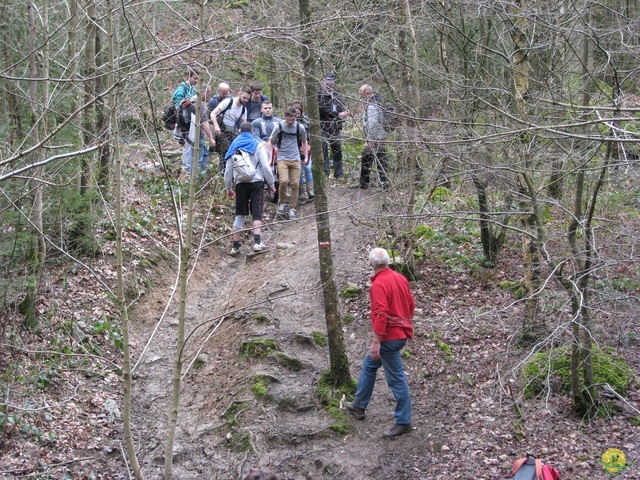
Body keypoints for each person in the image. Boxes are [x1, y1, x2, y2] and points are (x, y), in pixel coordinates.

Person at [346, 247, 415, 438]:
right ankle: (359, 406)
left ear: (371, 264)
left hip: (389, 338)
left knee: (396, 379)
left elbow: (381, 313)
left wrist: (376, 341)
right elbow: (411, 304)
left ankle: (403, 421)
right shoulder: (400, 278)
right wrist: (405, 322)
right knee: (369, 365)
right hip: (400, 333)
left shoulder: (379, 285)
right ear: (387, 261)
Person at [224, 122, 276, 256]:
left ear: (239, 131)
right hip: (256, 182)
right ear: (252, 131)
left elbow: (228, 171)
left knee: (240, 213)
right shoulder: (258, 145)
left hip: (240, 184)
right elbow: (265, 166)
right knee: (257, 212)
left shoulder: (233, 146)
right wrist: (271, 184)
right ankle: (257, 243)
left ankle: (235, 247)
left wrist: (228, 188)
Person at [268, 107, 308, 220]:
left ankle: (292, 208)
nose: (291, 122)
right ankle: (281, 203)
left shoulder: (300, 127)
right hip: (282, 158)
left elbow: (304, 142)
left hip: (295, 158)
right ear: (285, 117)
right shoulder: (279, 127)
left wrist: (305, 156)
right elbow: (270, 142)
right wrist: (271, 157)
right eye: (289, 119)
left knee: (295, 184)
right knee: (283, 181)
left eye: (293, 119)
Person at [210, 86, 250, 172]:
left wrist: (244, 130)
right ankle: (222, 173)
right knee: (226, 151)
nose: (245, 100)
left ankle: (233, 173)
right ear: (239, 94)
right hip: (221, 130)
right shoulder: (228, 102)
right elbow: (213, 114)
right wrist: (216, 126)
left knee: (237, 149)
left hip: (232, 131)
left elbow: (244, 123)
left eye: (247, 99)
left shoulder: (243, 109)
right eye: (244, 97)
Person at [317, 72, 349, 179]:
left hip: (335, 125)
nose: (329, 84)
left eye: (331, 81)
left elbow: (341, 104)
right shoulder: (319, 93)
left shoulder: (337, 93)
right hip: (323, 124)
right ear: (323, 80)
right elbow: (322, 108)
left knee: (337, 148)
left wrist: (344, 111)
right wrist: (337, 114)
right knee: (323, 147)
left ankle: (338, 173)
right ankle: (325, 173)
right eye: (327, 81)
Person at [358, 84, 389, 189]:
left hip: (376, 138)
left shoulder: (372, 106)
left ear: (366, 94)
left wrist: (369, 140)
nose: (360, 96)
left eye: (361, 94)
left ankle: (376, 183)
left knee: (374, 160)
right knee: (379, 160)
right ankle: (381, 183)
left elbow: (373, 124)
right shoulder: (377, 102)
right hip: (381, 137)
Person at [180, 87, 216, 177]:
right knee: (198, 161)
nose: (209, 96)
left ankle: (199, 181)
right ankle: (197, 183)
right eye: (208, 93)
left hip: (189, 135)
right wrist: (211, 138)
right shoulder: (200, 104)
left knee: (198, 159)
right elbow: (204, 122)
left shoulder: (190, 101)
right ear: (203, 92)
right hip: (198, 137)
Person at [290, 101, 314, 203]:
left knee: (308, 168)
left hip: (305, 148)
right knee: (298, 171)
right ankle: (302, 192)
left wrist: (308, 146)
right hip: (294, 150)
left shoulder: (306, 122)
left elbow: (310, 136)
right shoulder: (288, 124)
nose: (297, 116)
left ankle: (311, 190)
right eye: (295, 114)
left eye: (298, 114)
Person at [171, 69, 199, 145]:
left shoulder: (193, 88)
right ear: (189, 77)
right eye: (195, 78)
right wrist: (188, 101)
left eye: (197, 79)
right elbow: (176, 102)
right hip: (182, 117)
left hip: (191, 118)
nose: (196, 81)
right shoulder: (182, 88)